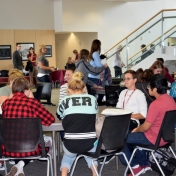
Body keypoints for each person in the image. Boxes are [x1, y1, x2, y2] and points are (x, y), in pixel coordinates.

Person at [119, 74, 176, 176]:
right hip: (166, 137)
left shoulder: (156, 104)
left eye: (149, 86)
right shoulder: (171, 100)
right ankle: (144, 164)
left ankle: (135, 166)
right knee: (135, 138)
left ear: (155, 88)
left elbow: (145, 127)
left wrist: (137, 129)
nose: (147, 88)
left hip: (153, 138)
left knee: (120, 139)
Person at [2, 77, 55, 176]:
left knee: (20, 141)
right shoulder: (32, 103)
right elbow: (50, 120)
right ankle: (19, 167)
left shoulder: (5, 104)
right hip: (31, 148)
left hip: (8, 148)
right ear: (26, 90)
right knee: (41, 141)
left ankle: (19, 168)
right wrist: (31, 98)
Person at [56, 79, 98, 176]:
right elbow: (95, 114)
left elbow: (59, 115)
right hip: (90, 143)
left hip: (70, 144)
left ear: (69, 90)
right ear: (84, 89)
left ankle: (64, 174)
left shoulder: (64, 100)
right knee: (91, 157)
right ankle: (95, 174)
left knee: (68, 156)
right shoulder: (92, 99)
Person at [88, 39, 105, 104]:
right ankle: (98, 103)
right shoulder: (95, 53)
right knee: (100, 91)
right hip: (95, 77)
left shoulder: (92, 53)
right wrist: (104, 65)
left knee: (93, 93)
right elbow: (99, 65)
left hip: (92, 76)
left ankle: (96, 103)